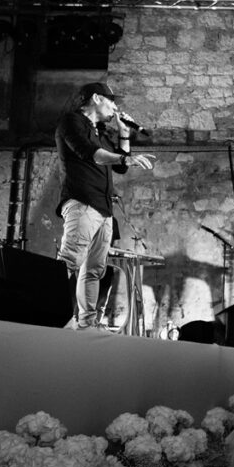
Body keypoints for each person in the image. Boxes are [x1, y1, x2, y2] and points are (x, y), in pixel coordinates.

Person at [56, 82, 154, 330]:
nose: (115, 107)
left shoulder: (101, 132)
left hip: (103, 209)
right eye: (112, 102)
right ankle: (54, 321)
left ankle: (85, 326)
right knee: (69, 262)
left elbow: (119, 166)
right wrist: (126, 158)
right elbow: (91, 153)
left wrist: (123, 132)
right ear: (97, 98)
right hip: (82, 202)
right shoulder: (72, 122)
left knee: (94, 270)